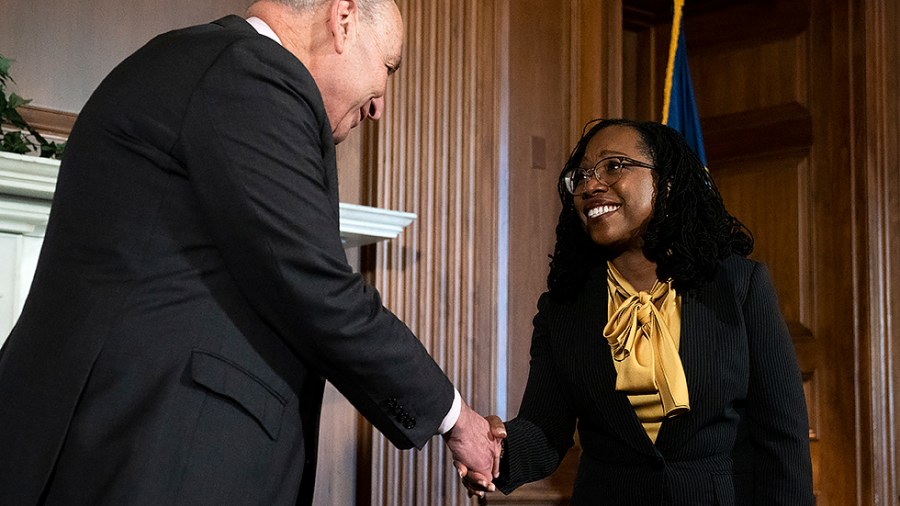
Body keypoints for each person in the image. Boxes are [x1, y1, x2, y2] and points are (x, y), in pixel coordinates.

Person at [0, 0, 501, 504]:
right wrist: (455, 418)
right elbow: (317, 287)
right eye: (388, 66)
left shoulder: (201, 63)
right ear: (343, 19)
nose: (380, 103)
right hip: (148, 456)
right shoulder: (248, 72)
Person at [459, 119, 814, 504]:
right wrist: (496, 450)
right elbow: (546, 430)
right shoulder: (563, 308)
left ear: (665, 183)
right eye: (580, 177)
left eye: (614, 166)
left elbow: (783, 438)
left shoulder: (739, 286)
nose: (591, 185)